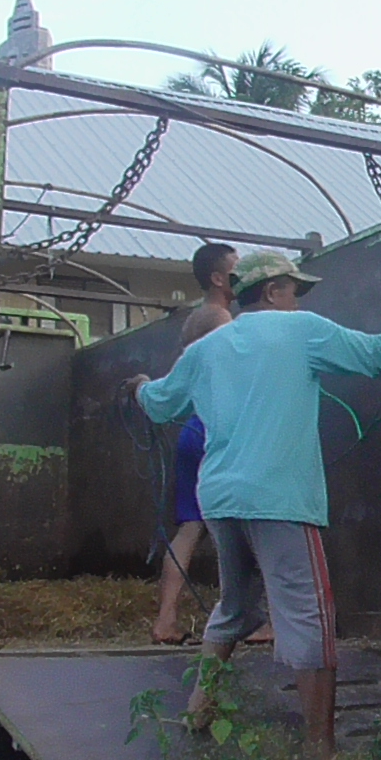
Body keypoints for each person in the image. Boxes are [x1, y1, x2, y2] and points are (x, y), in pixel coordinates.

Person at [129, 251, 381, 760]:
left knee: (236, 604)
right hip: (278, 497)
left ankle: (199, 707)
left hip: (220, 499)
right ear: (271, 291)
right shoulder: (299, 330)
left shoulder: (207, 348)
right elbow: (377, 356)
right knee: (310, 614)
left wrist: (141, 387)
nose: (298, 298)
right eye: (292, 289)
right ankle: (322, 757)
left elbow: (160, 404)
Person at [150, 242, 238, 645]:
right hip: (213, 431)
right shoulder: (219, 319)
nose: (242, 276)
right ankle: (245, 619)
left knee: (190, 528)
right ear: (218, 278)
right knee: (241, 527)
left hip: (194, 429)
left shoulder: (196, 319)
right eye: (236, 270)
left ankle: (166, 620)